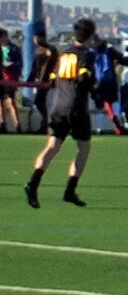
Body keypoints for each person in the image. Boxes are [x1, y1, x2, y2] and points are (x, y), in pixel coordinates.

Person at [24, 18, 102, 209]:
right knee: (83, 148)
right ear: (91, 36)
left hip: (58, 106)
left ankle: (32, 184)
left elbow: (52, 80)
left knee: (52, 147)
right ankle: (70, 190)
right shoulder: (87, 54)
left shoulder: (63, 54)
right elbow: (83, 78)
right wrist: (94, 90)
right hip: (76, 107)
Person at [0, 27, 22, 134]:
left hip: (9, 78)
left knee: (10, 101)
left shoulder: (14, 49)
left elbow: (18, 64)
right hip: (1, 77)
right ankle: (2, 124)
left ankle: (17, 124)